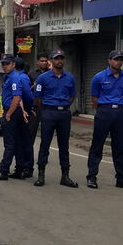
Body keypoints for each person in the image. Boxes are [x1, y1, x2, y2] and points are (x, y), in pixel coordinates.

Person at [86, 50, 123, 190]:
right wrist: (105, 108)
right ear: (109, 61)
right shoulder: (99, 77)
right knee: (98, 145)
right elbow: (94, 98)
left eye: (121, 59)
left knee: (120, 146)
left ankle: (121, 178)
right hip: (104, 111)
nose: (119, 62)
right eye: (116, 59)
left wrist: (119, 106)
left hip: (121, 112)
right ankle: (91, 176)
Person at [33, 50, 78, 188]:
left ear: (64, 60)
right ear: (50, 61)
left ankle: (65, 176)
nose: (59, 61)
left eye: (61, 58)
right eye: (56, 59)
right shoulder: (43, 78)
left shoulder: (70, 77)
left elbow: (72, 96)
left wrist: (63, 106)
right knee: (45, 144)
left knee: (64, 145)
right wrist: (46, 109)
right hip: (48, 112)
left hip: (64, 113)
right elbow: (37, 97)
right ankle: (41, 175)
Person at [0, 55, 32, 181]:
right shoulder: (8, 77)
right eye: (3, 64)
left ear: (13, 64)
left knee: (9, 143)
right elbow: (19, 99)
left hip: (11, 112)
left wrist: (8, 114)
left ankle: (3, 170)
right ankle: (19, 169)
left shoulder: (14, 78)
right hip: (16, 110)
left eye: (7, 64)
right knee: (17, 142)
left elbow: (17, 98)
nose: (4, 66)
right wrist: (22, 110)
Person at [25, 54, 50, 159]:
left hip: (48, 106)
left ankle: (44, 156)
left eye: (45, 61)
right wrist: (34, 85)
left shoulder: (51, 74)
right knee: (31, 131)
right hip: (35, 106)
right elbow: (27, 90)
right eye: (41, 61)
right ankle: (28, 154)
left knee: (46, 133)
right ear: (37, 62)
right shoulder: (32, 74)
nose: (43, 63)